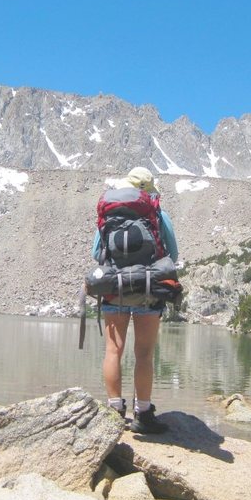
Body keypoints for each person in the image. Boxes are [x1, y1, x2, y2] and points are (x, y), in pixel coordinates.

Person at [91, 166, 178, 433]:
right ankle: (143, 414)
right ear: (149, 190)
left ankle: (115, 410)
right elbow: (171, 254)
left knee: (113, 351)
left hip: (114, 288)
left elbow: (97, 253)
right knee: (144, 354)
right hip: (148, 289)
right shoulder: (157, 214)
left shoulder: (109, 213)